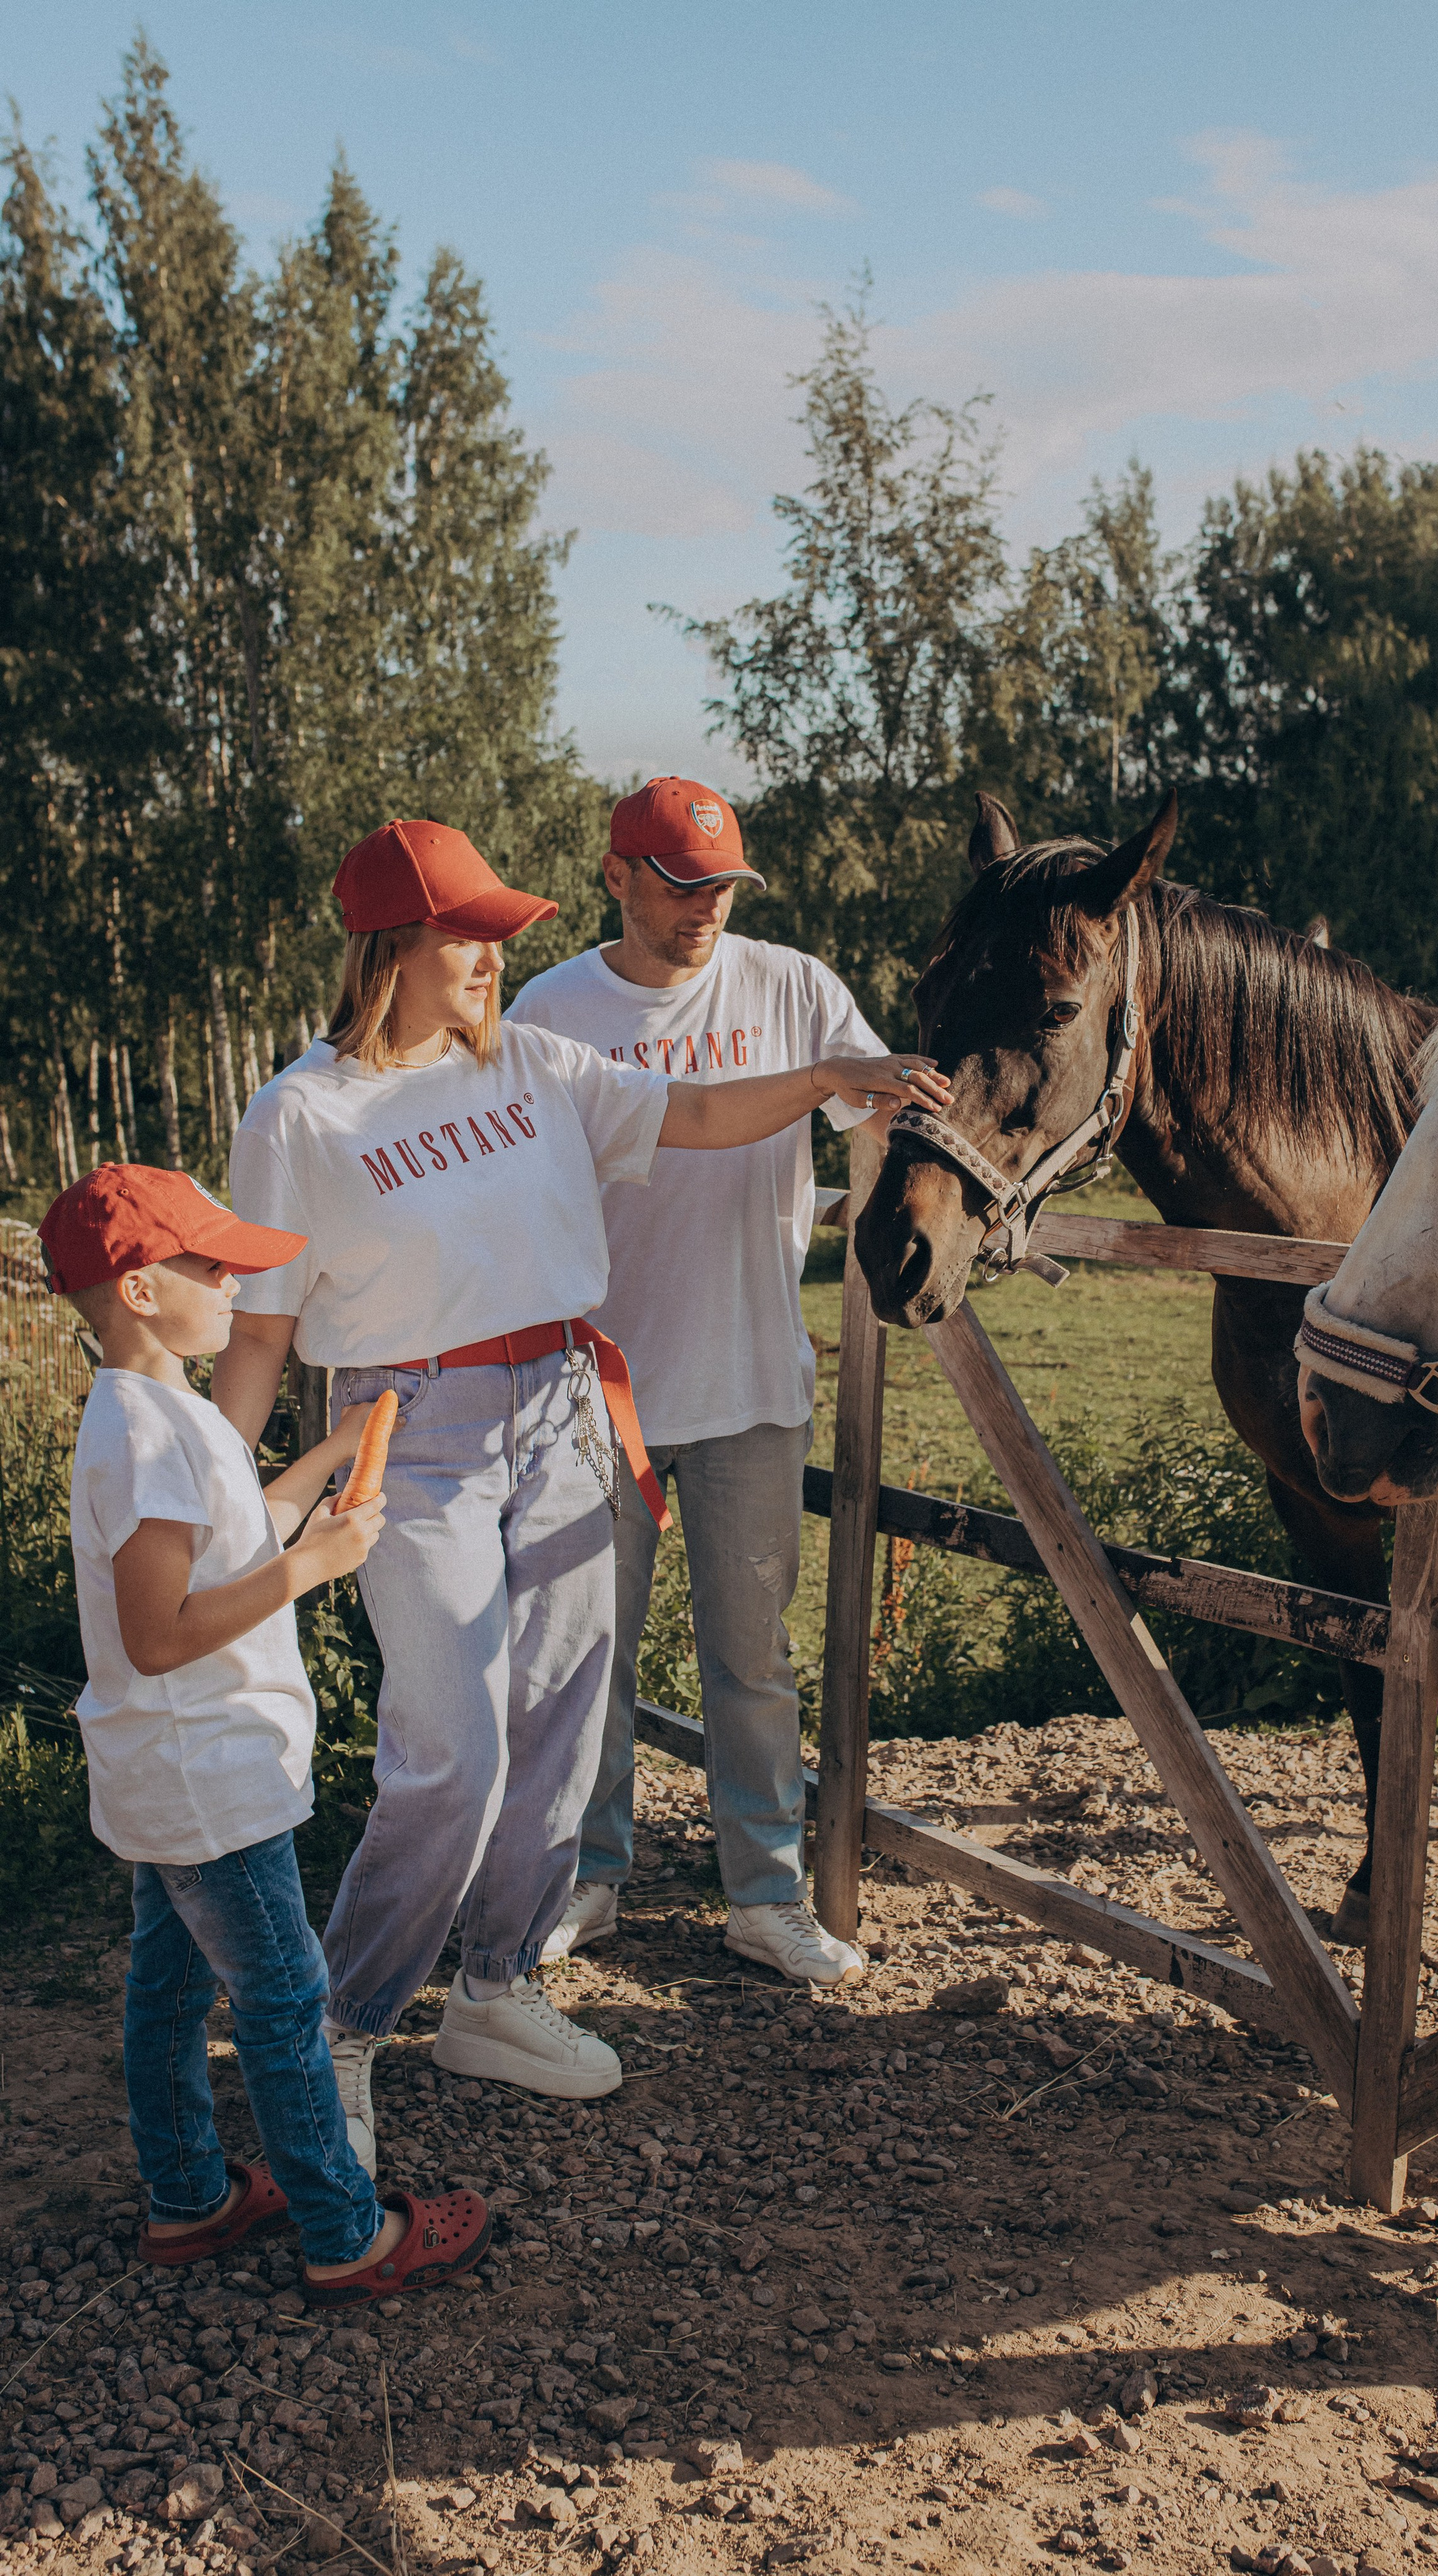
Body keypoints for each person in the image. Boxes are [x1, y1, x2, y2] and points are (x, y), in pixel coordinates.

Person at [213, 816, 947, 2175]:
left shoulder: (542, 1063)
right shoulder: (301, 1113)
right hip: (407, 1432)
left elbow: (704, 1115)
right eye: (467, 934)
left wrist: (836, 1074)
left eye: (501, 932)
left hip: (561, 1410)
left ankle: (494, 1990)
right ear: (392, 948)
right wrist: (215, 1501)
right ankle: (342, 2028)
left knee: (556, 1727)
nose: (496, 956)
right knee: (453, 1748)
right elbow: (259, 1328)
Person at [46, 1165, 491, 2306]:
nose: (237, 1283)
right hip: (212, 1780)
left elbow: (233, 1545)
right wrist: (314, 1569)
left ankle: (190, 2198)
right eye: (211, 1265)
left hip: (168, 1777)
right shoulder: (152, 1440)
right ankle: (349, 2233)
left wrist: (333, 1459)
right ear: (141, 1292)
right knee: (287, 2002)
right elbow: (159, 1632)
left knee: (166, 1991)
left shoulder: (153, 1418)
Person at [511, 776, 890, 1986]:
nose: (704, 910)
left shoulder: (795, 987)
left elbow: (879, 1119)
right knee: (585, 1664)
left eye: (722, 886)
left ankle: (765, 1897)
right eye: (680, 886)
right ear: (618, 876)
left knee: (753, 1658)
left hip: (750, 1385)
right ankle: (588, 1881)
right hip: (592, 1395)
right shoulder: (550, 1010)